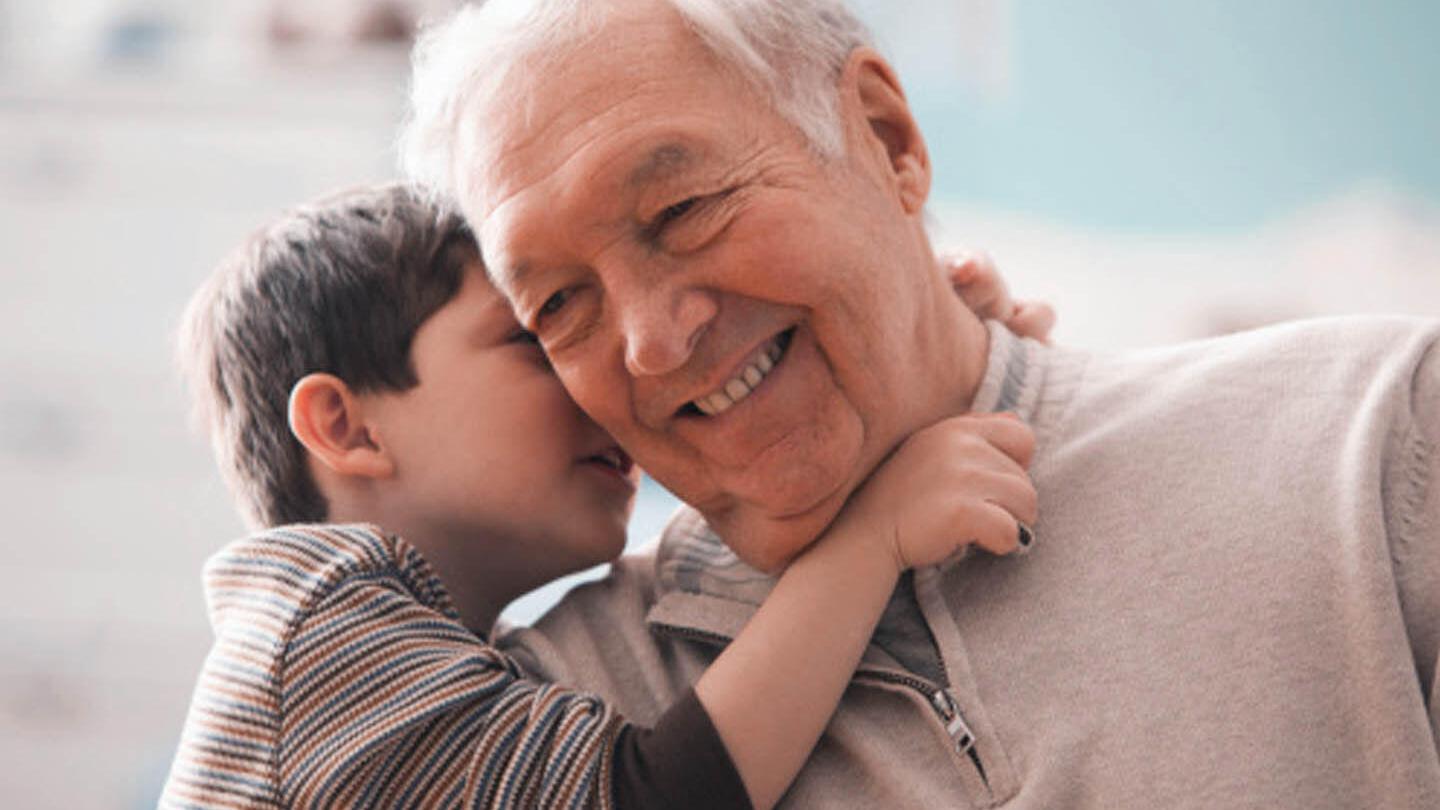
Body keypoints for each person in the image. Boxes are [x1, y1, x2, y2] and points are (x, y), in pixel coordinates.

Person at [398, 0, 1440, 807]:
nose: (652, 340)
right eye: (561, 304)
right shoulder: (544, 713)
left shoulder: (1375, 445)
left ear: (889, 141)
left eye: (682, 207)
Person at [160, 183, 1050, 809]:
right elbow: (651, 795)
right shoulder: (316, 641)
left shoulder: (409, 650)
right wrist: (874, 536)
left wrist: (923, 374)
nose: (604, 375)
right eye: (534, 337)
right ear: (348, 428)